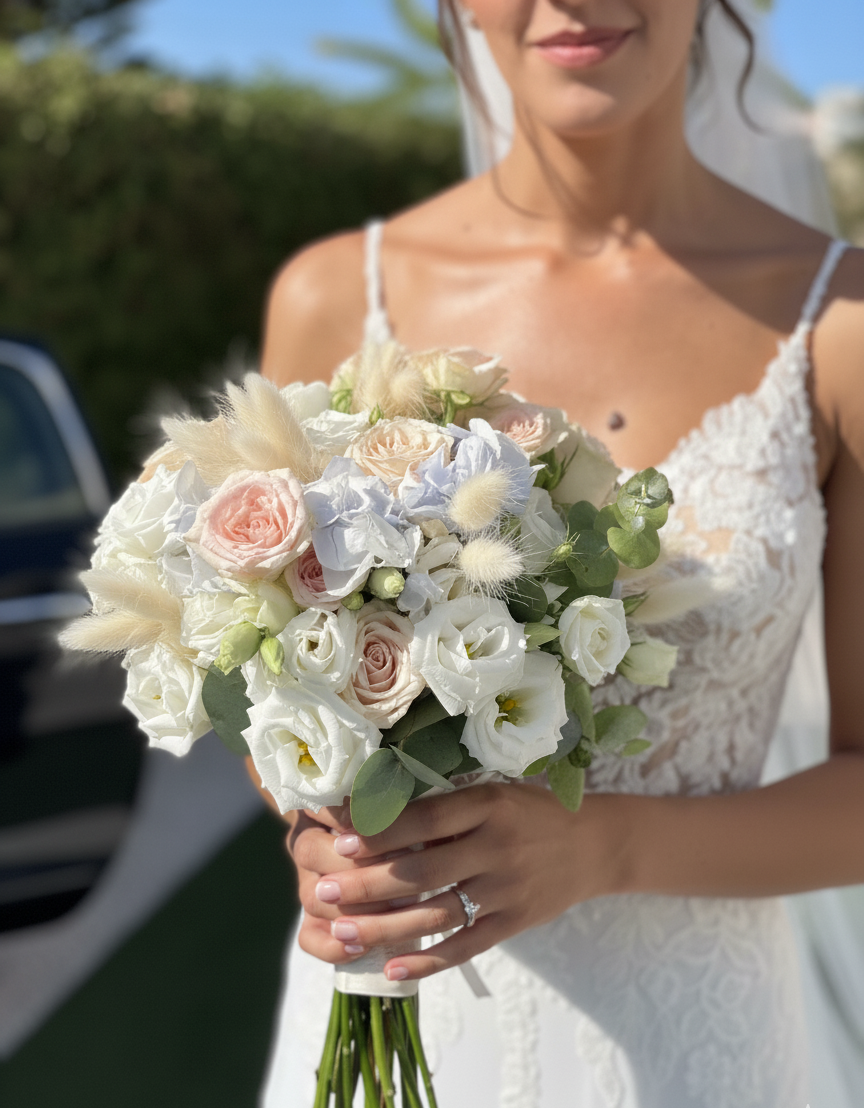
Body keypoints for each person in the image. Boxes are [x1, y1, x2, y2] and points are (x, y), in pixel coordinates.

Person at [254, 2, 864, 1104]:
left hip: (696, 1049)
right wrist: (314, 822)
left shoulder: (844, 324)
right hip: (401, 1019)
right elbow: (273, 659)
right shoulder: (335, 297)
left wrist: (612, 849)